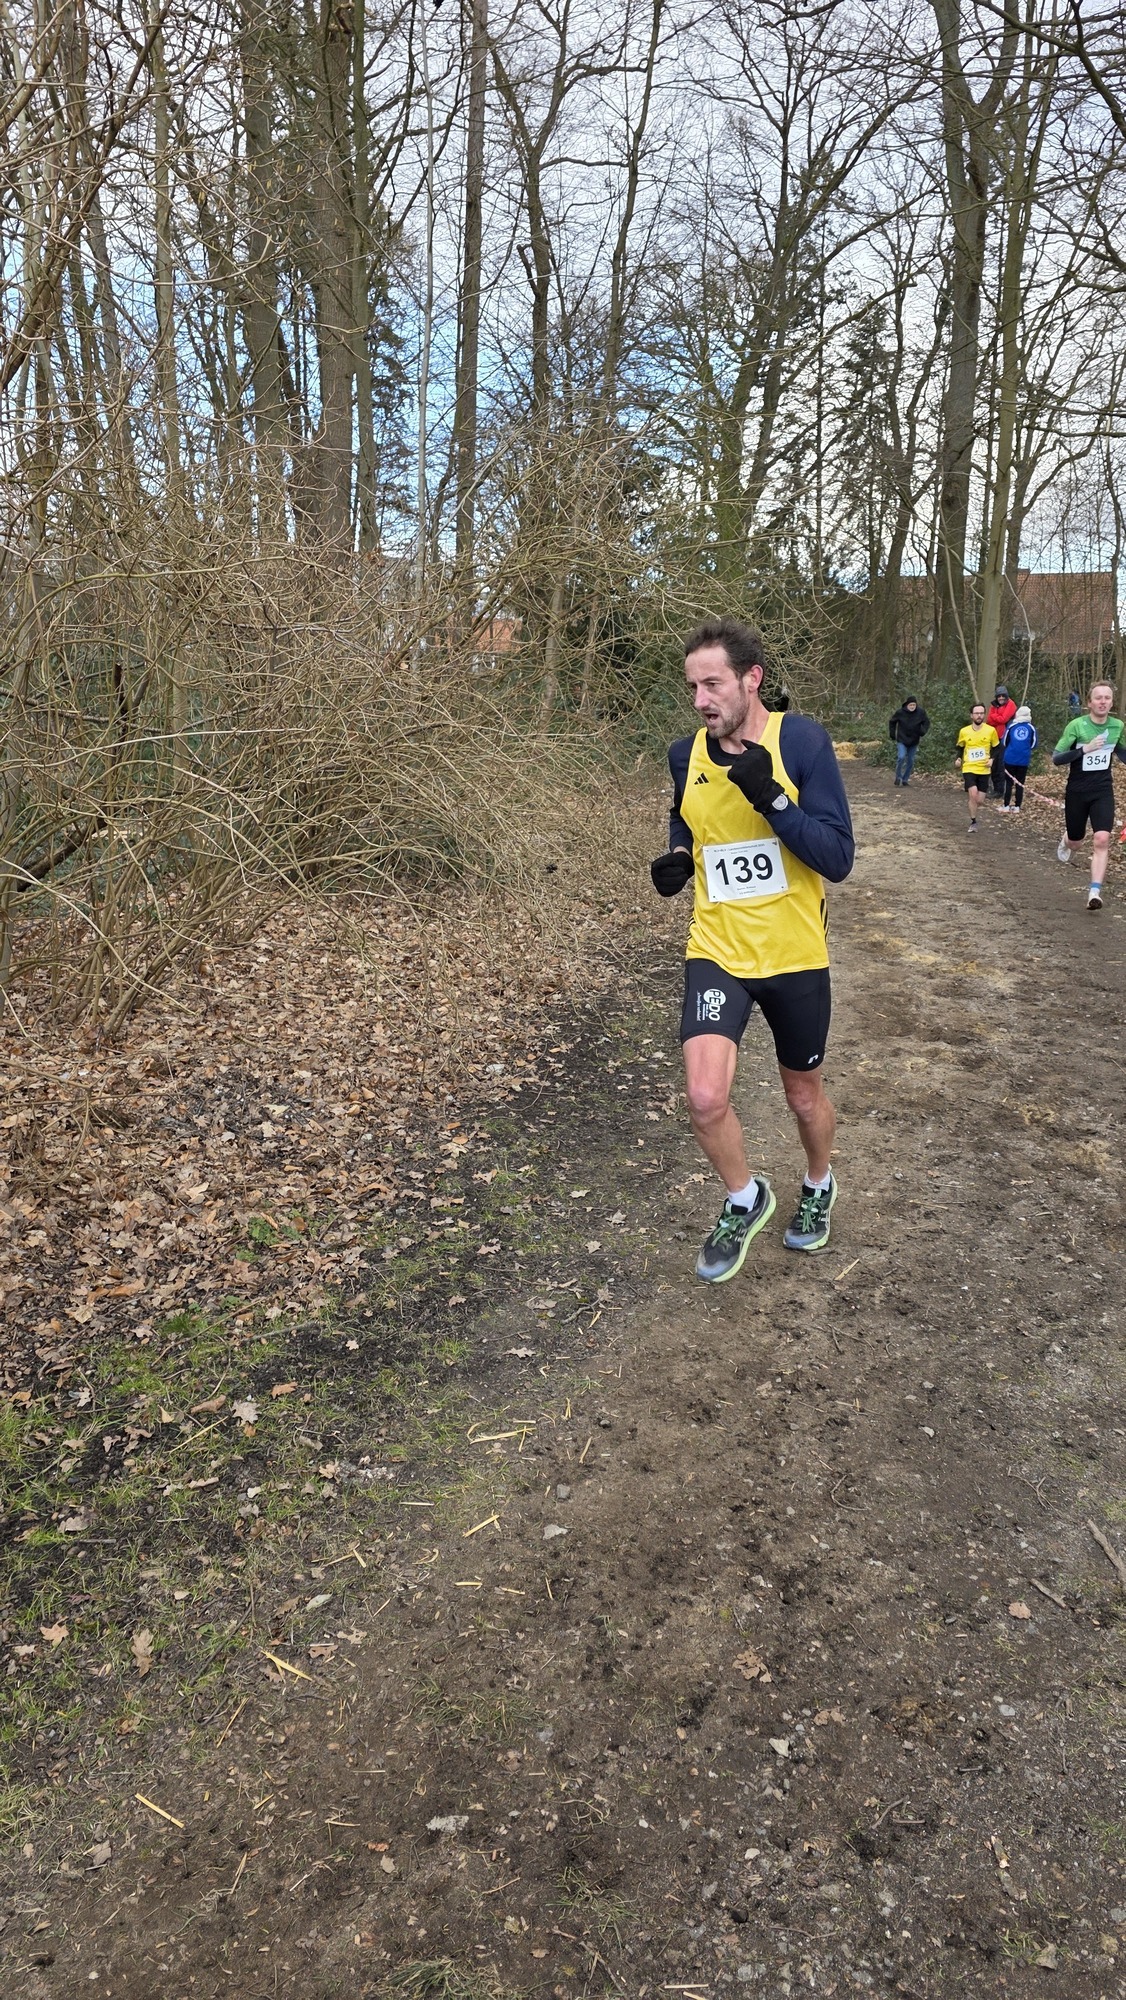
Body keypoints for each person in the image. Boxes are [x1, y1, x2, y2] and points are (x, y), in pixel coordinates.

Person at [649, 619, 854, 1282]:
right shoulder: (684, 754)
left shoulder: (801, 742)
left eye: (713, 684)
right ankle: (745, 1198)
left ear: (751, 679)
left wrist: (771, 797)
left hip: (795, 955)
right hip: (718, 948)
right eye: (692, 686)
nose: (700, 699)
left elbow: (837, 857)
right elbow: (685, 812)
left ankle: (818, 1182)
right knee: (704, 1097)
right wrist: (680, 853)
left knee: (803, 1097)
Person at [1052, 680, 1126, 910]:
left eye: (1107, 698)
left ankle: (1095, 892)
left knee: (1102, 839)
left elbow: (1122, 753)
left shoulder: (1118, 726)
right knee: (1076, 842)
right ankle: (1067, 840)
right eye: (1098, 698)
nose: (1103, 702)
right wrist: (1085, 749)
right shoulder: (1076, 726)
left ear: (1111, 703)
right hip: (1077, 791)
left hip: (1102, 790)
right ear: (1089, 702)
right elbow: (1057, 758)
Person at [954, 702, 999, 832]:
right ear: (971, 715)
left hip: (984, 769)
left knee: (979, 800)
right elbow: (960, 747)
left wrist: (992, 760)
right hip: (969, 767)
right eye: (976, 713)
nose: (979, 716)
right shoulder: (964, 731)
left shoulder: (991, 730)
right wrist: (958, 758)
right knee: (973, 794)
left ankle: (973, 805)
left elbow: (997, 748)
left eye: (981, 713)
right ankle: (973, 822)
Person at [997, 704, 1036, 813]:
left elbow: (1004, 741)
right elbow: (1033, 744)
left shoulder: (1011, 726)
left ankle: (1006, 805)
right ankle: (1017, 806)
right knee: (1020, 783)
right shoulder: (1031, 728)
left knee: (1008, 782)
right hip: (1023, 760)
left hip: (1009, 759)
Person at [888, 694, 930, 787]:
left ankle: (905, 779)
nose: (912, 707)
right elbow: (892, 722)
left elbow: (926, 722)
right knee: (901, 757)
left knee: (910, 760)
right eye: (910, 705)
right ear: (907, 705)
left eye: (914, 705)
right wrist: (892, 733)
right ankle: (898, 777)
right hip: (902, 739)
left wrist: (923, 731)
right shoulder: (900, 712)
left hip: (914, 740)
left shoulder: (921, 712)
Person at [986, 684, 1017, 797]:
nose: (1001, 698)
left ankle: (1001, 790)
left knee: (1001, 764)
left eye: (1003, 696)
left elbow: (1004, 719)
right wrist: (998, 718)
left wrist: (995, 717)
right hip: (994, 738)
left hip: (1005, 739)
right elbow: (989, 720)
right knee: (993, 764)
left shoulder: (1011, 704)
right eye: (999, 696)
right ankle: (996, 789)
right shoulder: (993, 705)